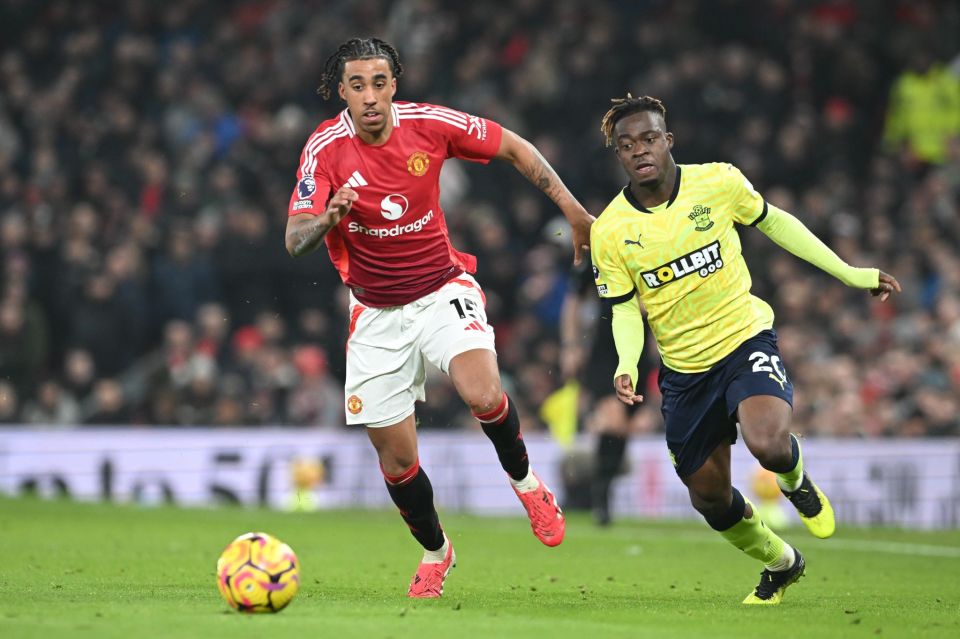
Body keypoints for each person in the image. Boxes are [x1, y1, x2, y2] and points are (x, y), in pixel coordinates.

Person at [283, 38, 594, 599]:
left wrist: (572, 210)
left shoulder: (429, 124)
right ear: (342, 92)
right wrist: (328, 217)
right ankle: (437, 552)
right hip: (374, 314)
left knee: (482, 391)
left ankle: (527, 485)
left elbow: (517, 148)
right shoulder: (324, 149)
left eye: (380, 83)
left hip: (440, 288)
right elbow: (294, 239)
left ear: (394, 84)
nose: (370, 96)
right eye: (358, 85)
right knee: (398, 462)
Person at [589, 95, 901, 605]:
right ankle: (782, 563)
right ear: (619, 156)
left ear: (668, 141)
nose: (639, 151)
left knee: (769, 443)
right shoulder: (611, 231)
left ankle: (795, 481)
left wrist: (851, 273)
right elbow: (625, 308)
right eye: (627, 146)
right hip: (684, 371)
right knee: (709, 499)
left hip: (743, 337)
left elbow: (778, 224)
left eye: (648, 139)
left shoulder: (718, 182)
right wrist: (626, 363)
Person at [560, 261, 654, 526]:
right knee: (612, 421)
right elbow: (574, 300)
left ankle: (603, 489)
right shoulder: (599, 250)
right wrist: (570, 345)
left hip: (639, 348)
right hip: (606, 347)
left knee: (626, 425)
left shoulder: (652, 243)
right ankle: (601, 497)